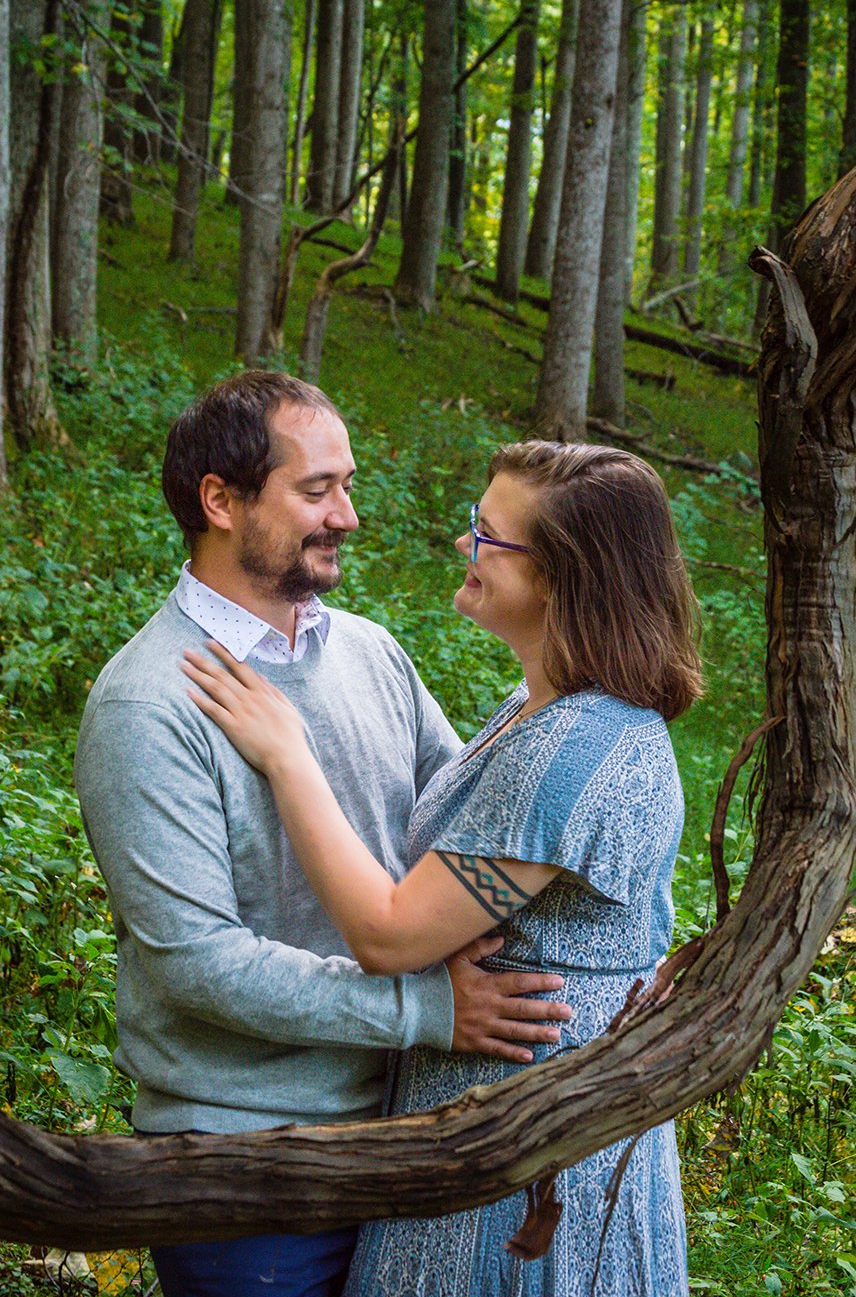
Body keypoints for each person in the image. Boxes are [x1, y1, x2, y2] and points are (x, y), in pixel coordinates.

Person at [75, 372, 571, 1297]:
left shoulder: (371, 652)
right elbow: (196, 960)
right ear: (219, 501)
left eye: (346, 484)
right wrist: (426, 1011)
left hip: (403, 1132)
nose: (347, 514)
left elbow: (469, 828)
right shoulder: (147, 704)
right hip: (246, 1164)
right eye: (316, 490)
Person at [183, 437, 704, 1297]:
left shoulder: (573, 751)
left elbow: (390, 935)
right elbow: (470, 840)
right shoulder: (540, 711)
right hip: (485, 1140)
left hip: (528, 1171)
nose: (466, 546)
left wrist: (288, 755)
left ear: (561, 577)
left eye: (490, 537)